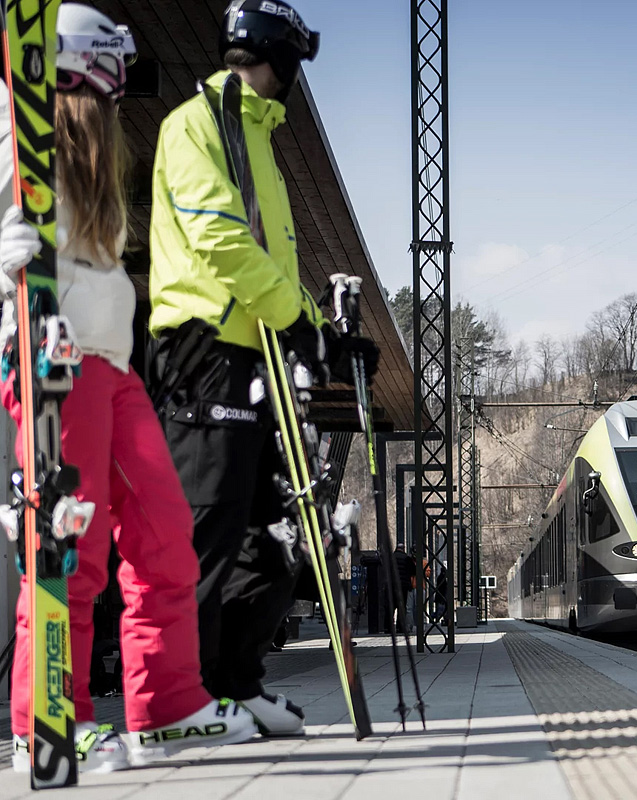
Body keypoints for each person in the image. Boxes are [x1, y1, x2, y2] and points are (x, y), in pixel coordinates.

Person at [0, 4, 256, 772]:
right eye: (107, 85)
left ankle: (167, 708)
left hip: (113, 363)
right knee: (69, 542)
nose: (113, 103)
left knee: (165, 531)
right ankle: (47, 720)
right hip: (53, 358)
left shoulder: (91, 166)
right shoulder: (17, 140)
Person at [148, 0, 377, 736]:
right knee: (208, 530)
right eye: (296, 62)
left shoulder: (260, 140)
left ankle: (235, 686)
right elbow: (220, 244)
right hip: (203, 353)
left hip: (255, 356)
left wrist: (325, 338)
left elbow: (271, 267)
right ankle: (181, 701)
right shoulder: (195, 125)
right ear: (279, 58)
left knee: (279, 531)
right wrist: (296, 323)